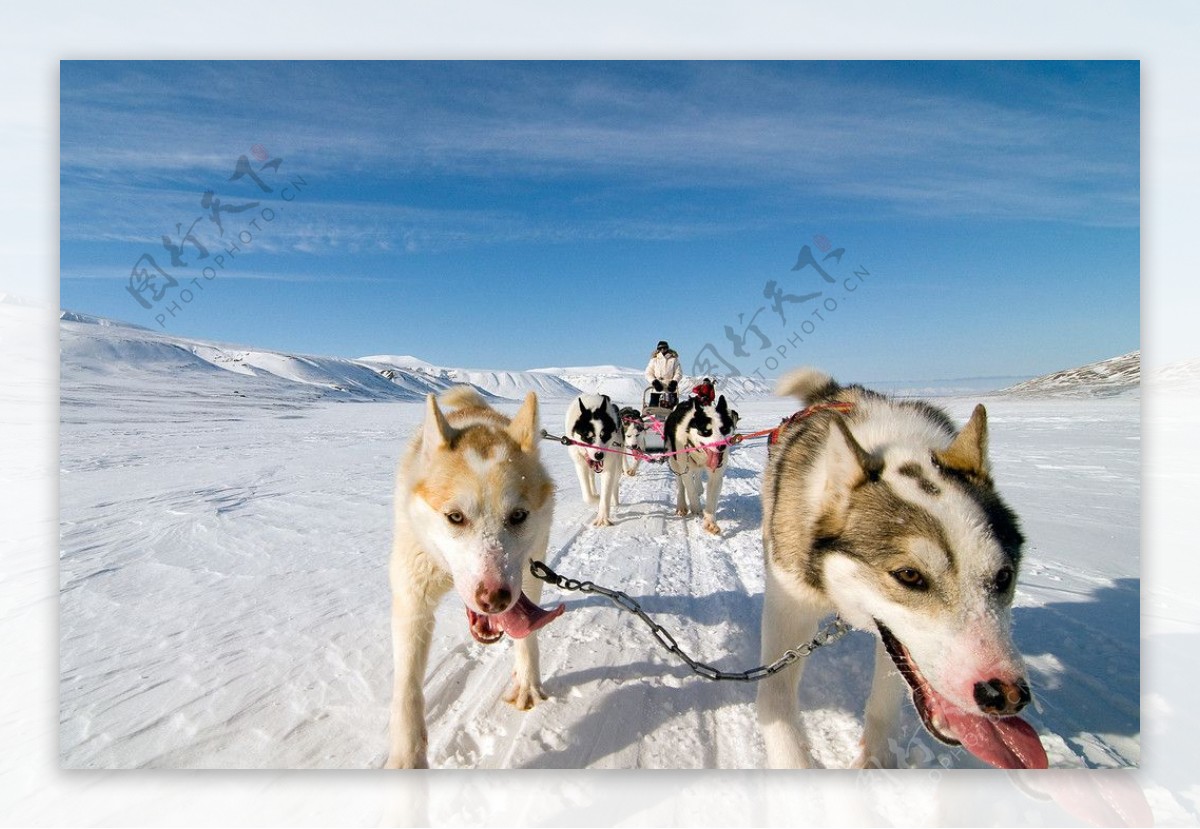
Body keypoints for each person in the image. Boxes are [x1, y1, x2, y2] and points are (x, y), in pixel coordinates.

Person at [645, 340, 682, 408]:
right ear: (658, 349)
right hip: (656, 388)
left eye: (664, 348)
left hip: (670, 388)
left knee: (670, 409)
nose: (662, 350)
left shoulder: (674, 359)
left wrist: (674, 382)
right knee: (653, 408)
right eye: (660, 348)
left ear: (667, 348)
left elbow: (678, 372)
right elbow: (648, 373)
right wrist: (654, 382)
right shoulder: (654, 360)